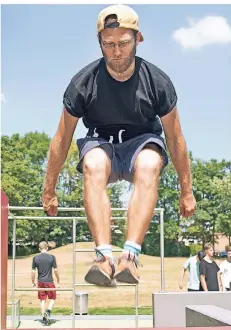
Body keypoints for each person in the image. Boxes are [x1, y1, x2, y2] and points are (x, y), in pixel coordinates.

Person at [42, 4, 196, 286]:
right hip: (103, 144)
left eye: (123, 43)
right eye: (108, 44)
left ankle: (130, 256)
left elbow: (175, 139)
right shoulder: (83, 84)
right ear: (99, 42)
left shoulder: (157, 82)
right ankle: (103, 256)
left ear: (138, 39)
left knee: (149, 164)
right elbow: (62, 138)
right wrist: (49, 188)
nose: (116, 52)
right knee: (93, 162)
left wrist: (187, 190)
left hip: (142, 143)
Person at [31, 241, 60, 325]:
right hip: (49, 281)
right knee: (53, 298)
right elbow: (55, 270)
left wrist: (33, 282)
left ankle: (44, 319)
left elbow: (33, 272)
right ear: (47, 248)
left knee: (42, 300)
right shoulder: (52, 257)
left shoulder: (35, 258)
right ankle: (48, 311)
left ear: (39, 248)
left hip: (40, 282)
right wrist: (58, 281)